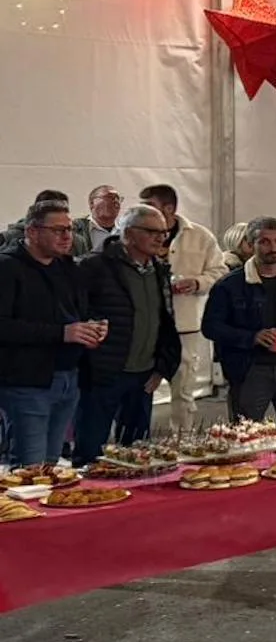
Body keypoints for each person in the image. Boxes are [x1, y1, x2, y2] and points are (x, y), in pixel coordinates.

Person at [71, 204, 179, 459]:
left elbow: (164, 320)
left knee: (137, 454)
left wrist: (162, 366)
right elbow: (75, 314)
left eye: (164, 232)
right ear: (128, 233)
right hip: (103, 375)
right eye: (152, 231)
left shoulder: (159, 269)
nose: (160, 238)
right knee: (90, 451)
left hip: (144, 376)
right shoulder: (93, 267)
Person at [201, 215, 276, 435]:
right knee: (244, 438)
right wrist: (251, 337)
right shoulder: (229, 285)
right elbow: (210, 327)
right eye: (264, 241)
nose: (273, 247)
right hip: (250, 371)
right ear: (250, 244)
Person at [0, 197, 98, 463]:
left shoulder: (68, 268)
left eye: (70, 229)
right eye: (58, 230)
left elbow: (74, 314)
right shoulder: (7, 268)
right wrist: (62, 333)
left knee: (51, 466)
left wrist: (89, 330)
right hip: (27, 381)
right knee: (29, 467)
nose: (67, 236)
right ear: (32, 231)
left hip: (68, 377)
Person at [139, 184, 226, 432]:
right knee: (140, 385)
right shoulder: (136, 234)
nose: (145, 212)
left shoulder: (200, 236)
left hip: (185, 324)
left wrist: (197, 282)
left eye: (151, 207)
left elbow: (220, 271)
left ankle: (183, 440)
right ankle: (136, 442)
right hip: (146, 325)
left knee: (183, 388)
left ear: (169, 208)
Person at [72, 185, 124, 259]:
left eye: (118, 199)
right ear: (92, 203)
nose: (116, 201)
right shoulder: (76, 229)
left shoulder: (126, 231)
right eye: (109, 197)